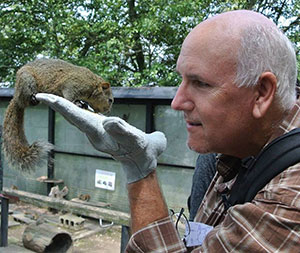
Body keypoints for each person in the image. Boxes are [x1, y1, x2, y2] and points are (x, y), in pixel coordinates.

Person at [36, 9, 300, 252]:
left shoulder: (290, 200)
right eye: (181, 80)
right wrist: (138, 164)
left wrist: (140, 172)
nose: (176, 102)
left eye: (200, 83)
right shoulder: (228, 150)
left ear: (262, 93)